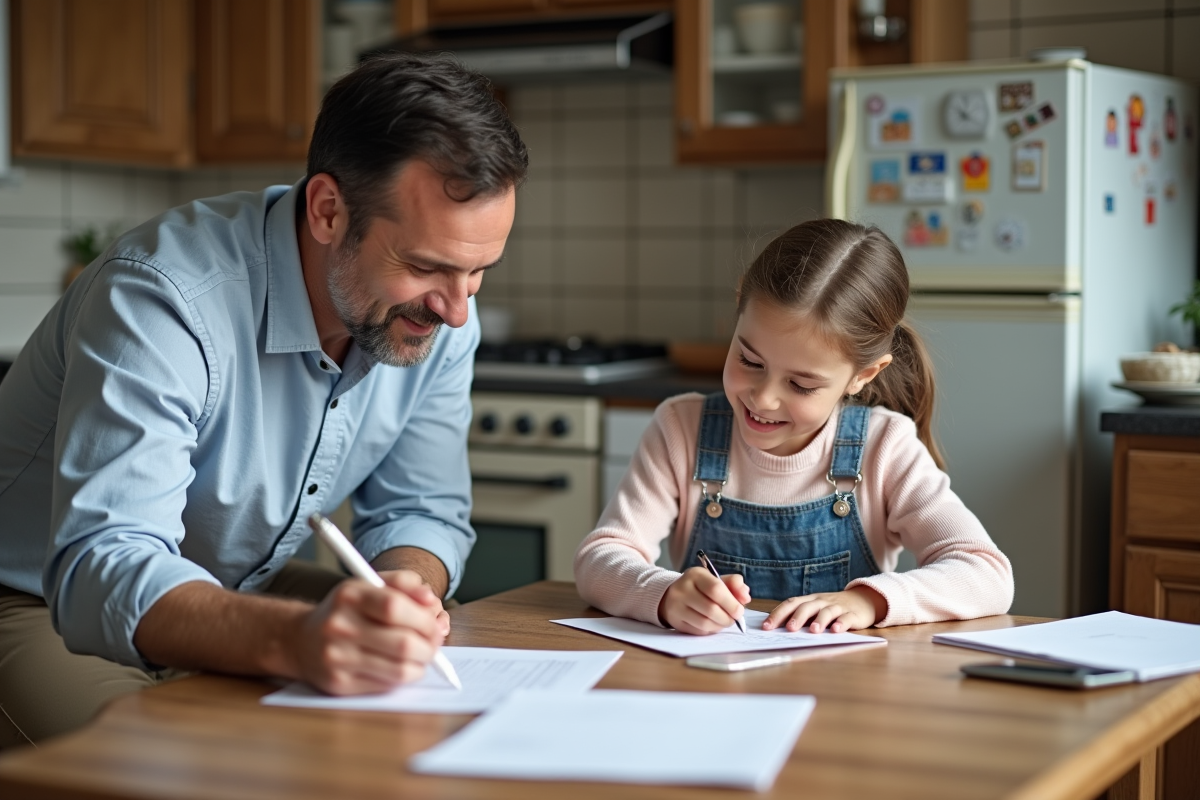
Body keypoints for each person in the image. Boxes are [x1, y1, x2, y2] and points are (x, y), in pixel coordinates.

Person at [0, 53, 527, 748]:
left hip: (239, 583)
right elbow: (106, 562)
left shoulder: (438, 315)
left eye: (478, 272)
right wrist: (297, 640)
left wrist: (403, 588)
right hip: (40, 599)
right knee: (160, 764)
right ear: (329, 211)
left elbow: (420, 510)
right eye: (426, 266)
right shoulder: (163, 297)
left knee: (435, 703)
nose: (456, 311)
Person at [574, 219, 1013, 635]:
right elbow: (599, 559)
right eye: (749, 360)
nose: (763, 398)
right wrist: (666, 595)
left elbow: (987, 573)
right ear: (739, 309)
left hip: (847, 685)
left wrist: (868, 602)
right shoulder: (681, 429)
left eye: (801, 385)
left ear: (863, 375)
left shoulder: (886, 447)